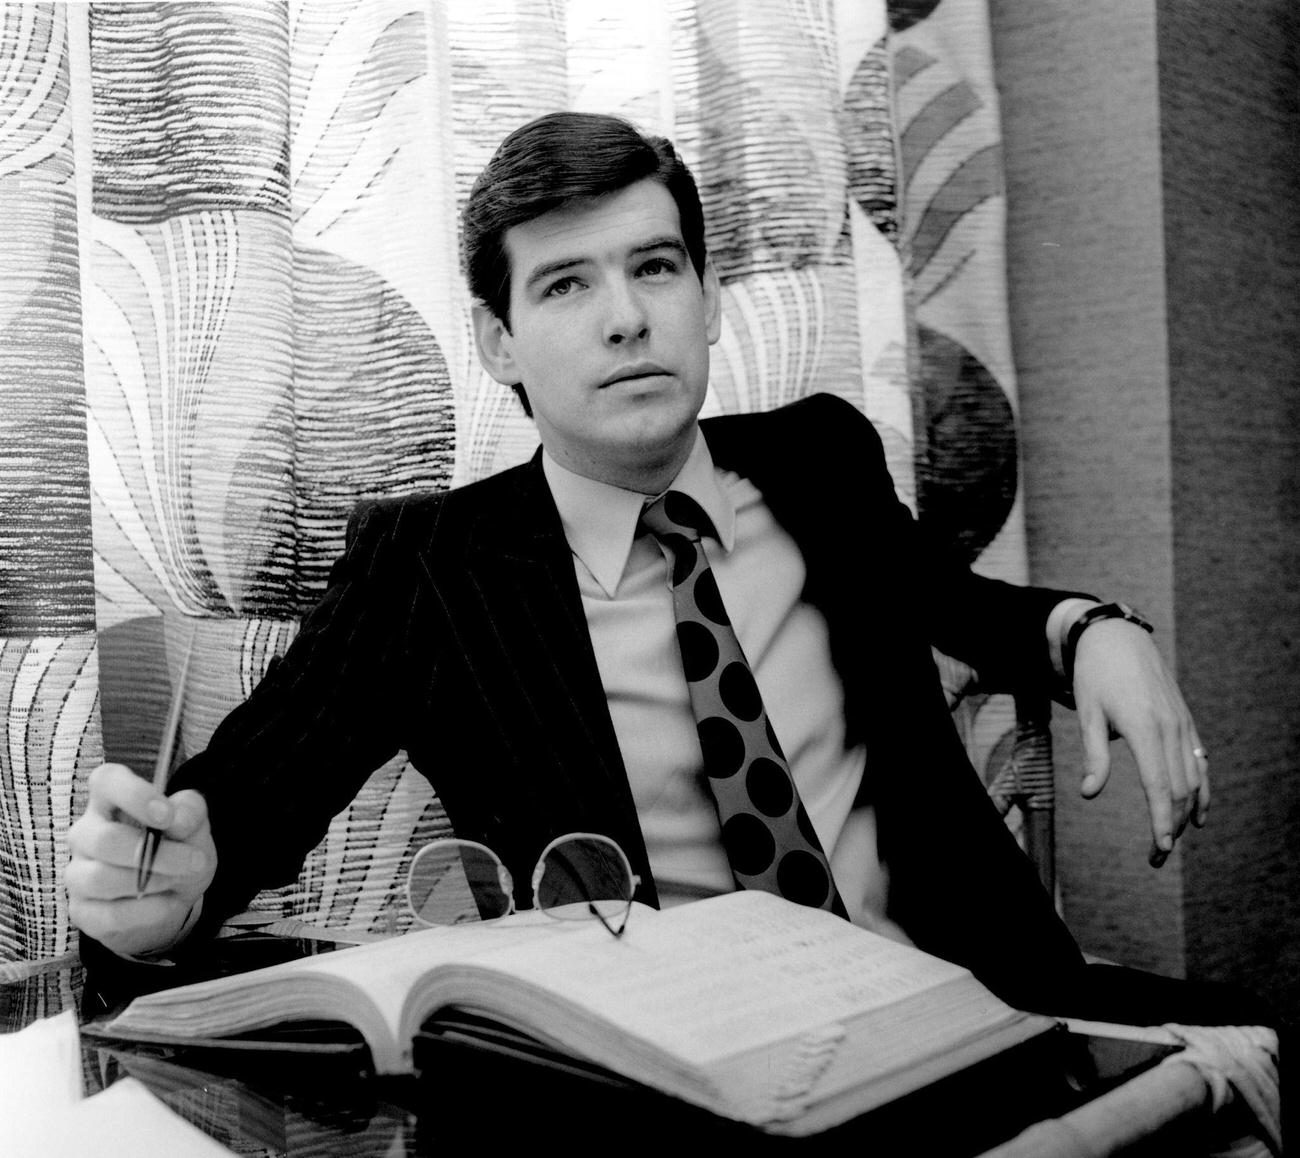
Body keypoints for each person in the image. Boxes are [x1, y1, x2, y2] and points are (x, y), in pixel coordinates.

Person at [68, 112, 1241, 1032]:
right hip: (669, 1094)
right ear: (497, 343)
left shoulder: (821, 459)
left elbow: (957, 604)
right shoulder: (428, 570)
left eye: (656, 267)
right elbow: (244, 806)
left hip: (974, 1011)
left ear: (710, 295)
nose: (626, 317)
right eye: (566, 283)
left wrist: (1093, 628)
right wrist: (161, 902)